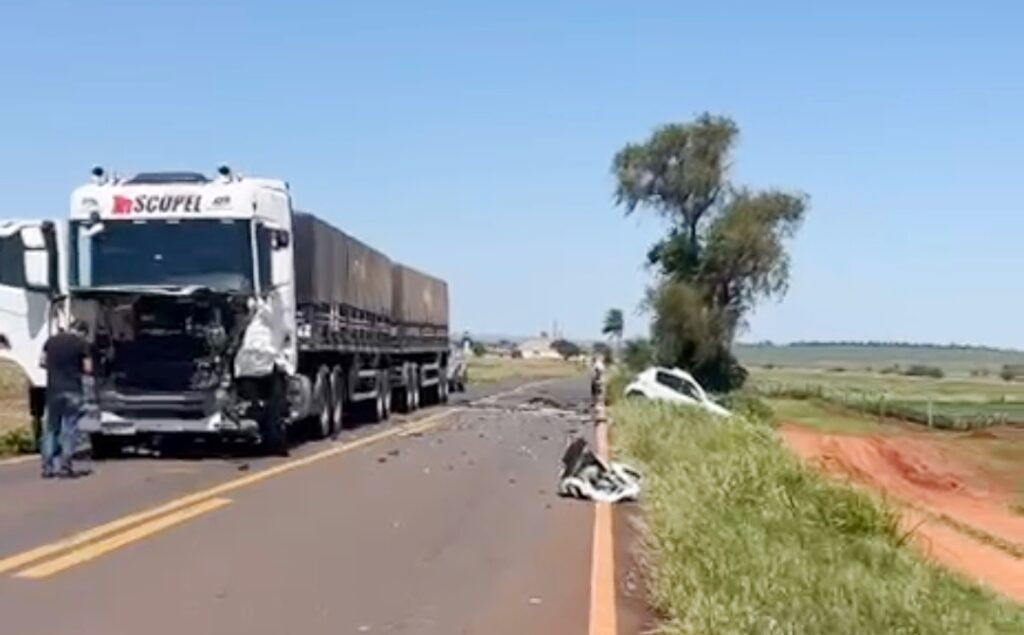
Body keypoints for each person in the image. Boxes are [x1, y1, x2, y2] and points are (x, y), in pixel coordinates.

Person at [39, 320, 91, 479]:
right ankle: (65, 466)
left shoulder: (51, 341)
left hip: (53, 390)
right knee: (69, 429)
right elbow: (88, 368)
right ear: (82, 332)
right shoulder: (82, 344)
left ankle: (47, 467)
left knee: (51, 429)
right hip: (73, 390)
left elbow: (42, 362)